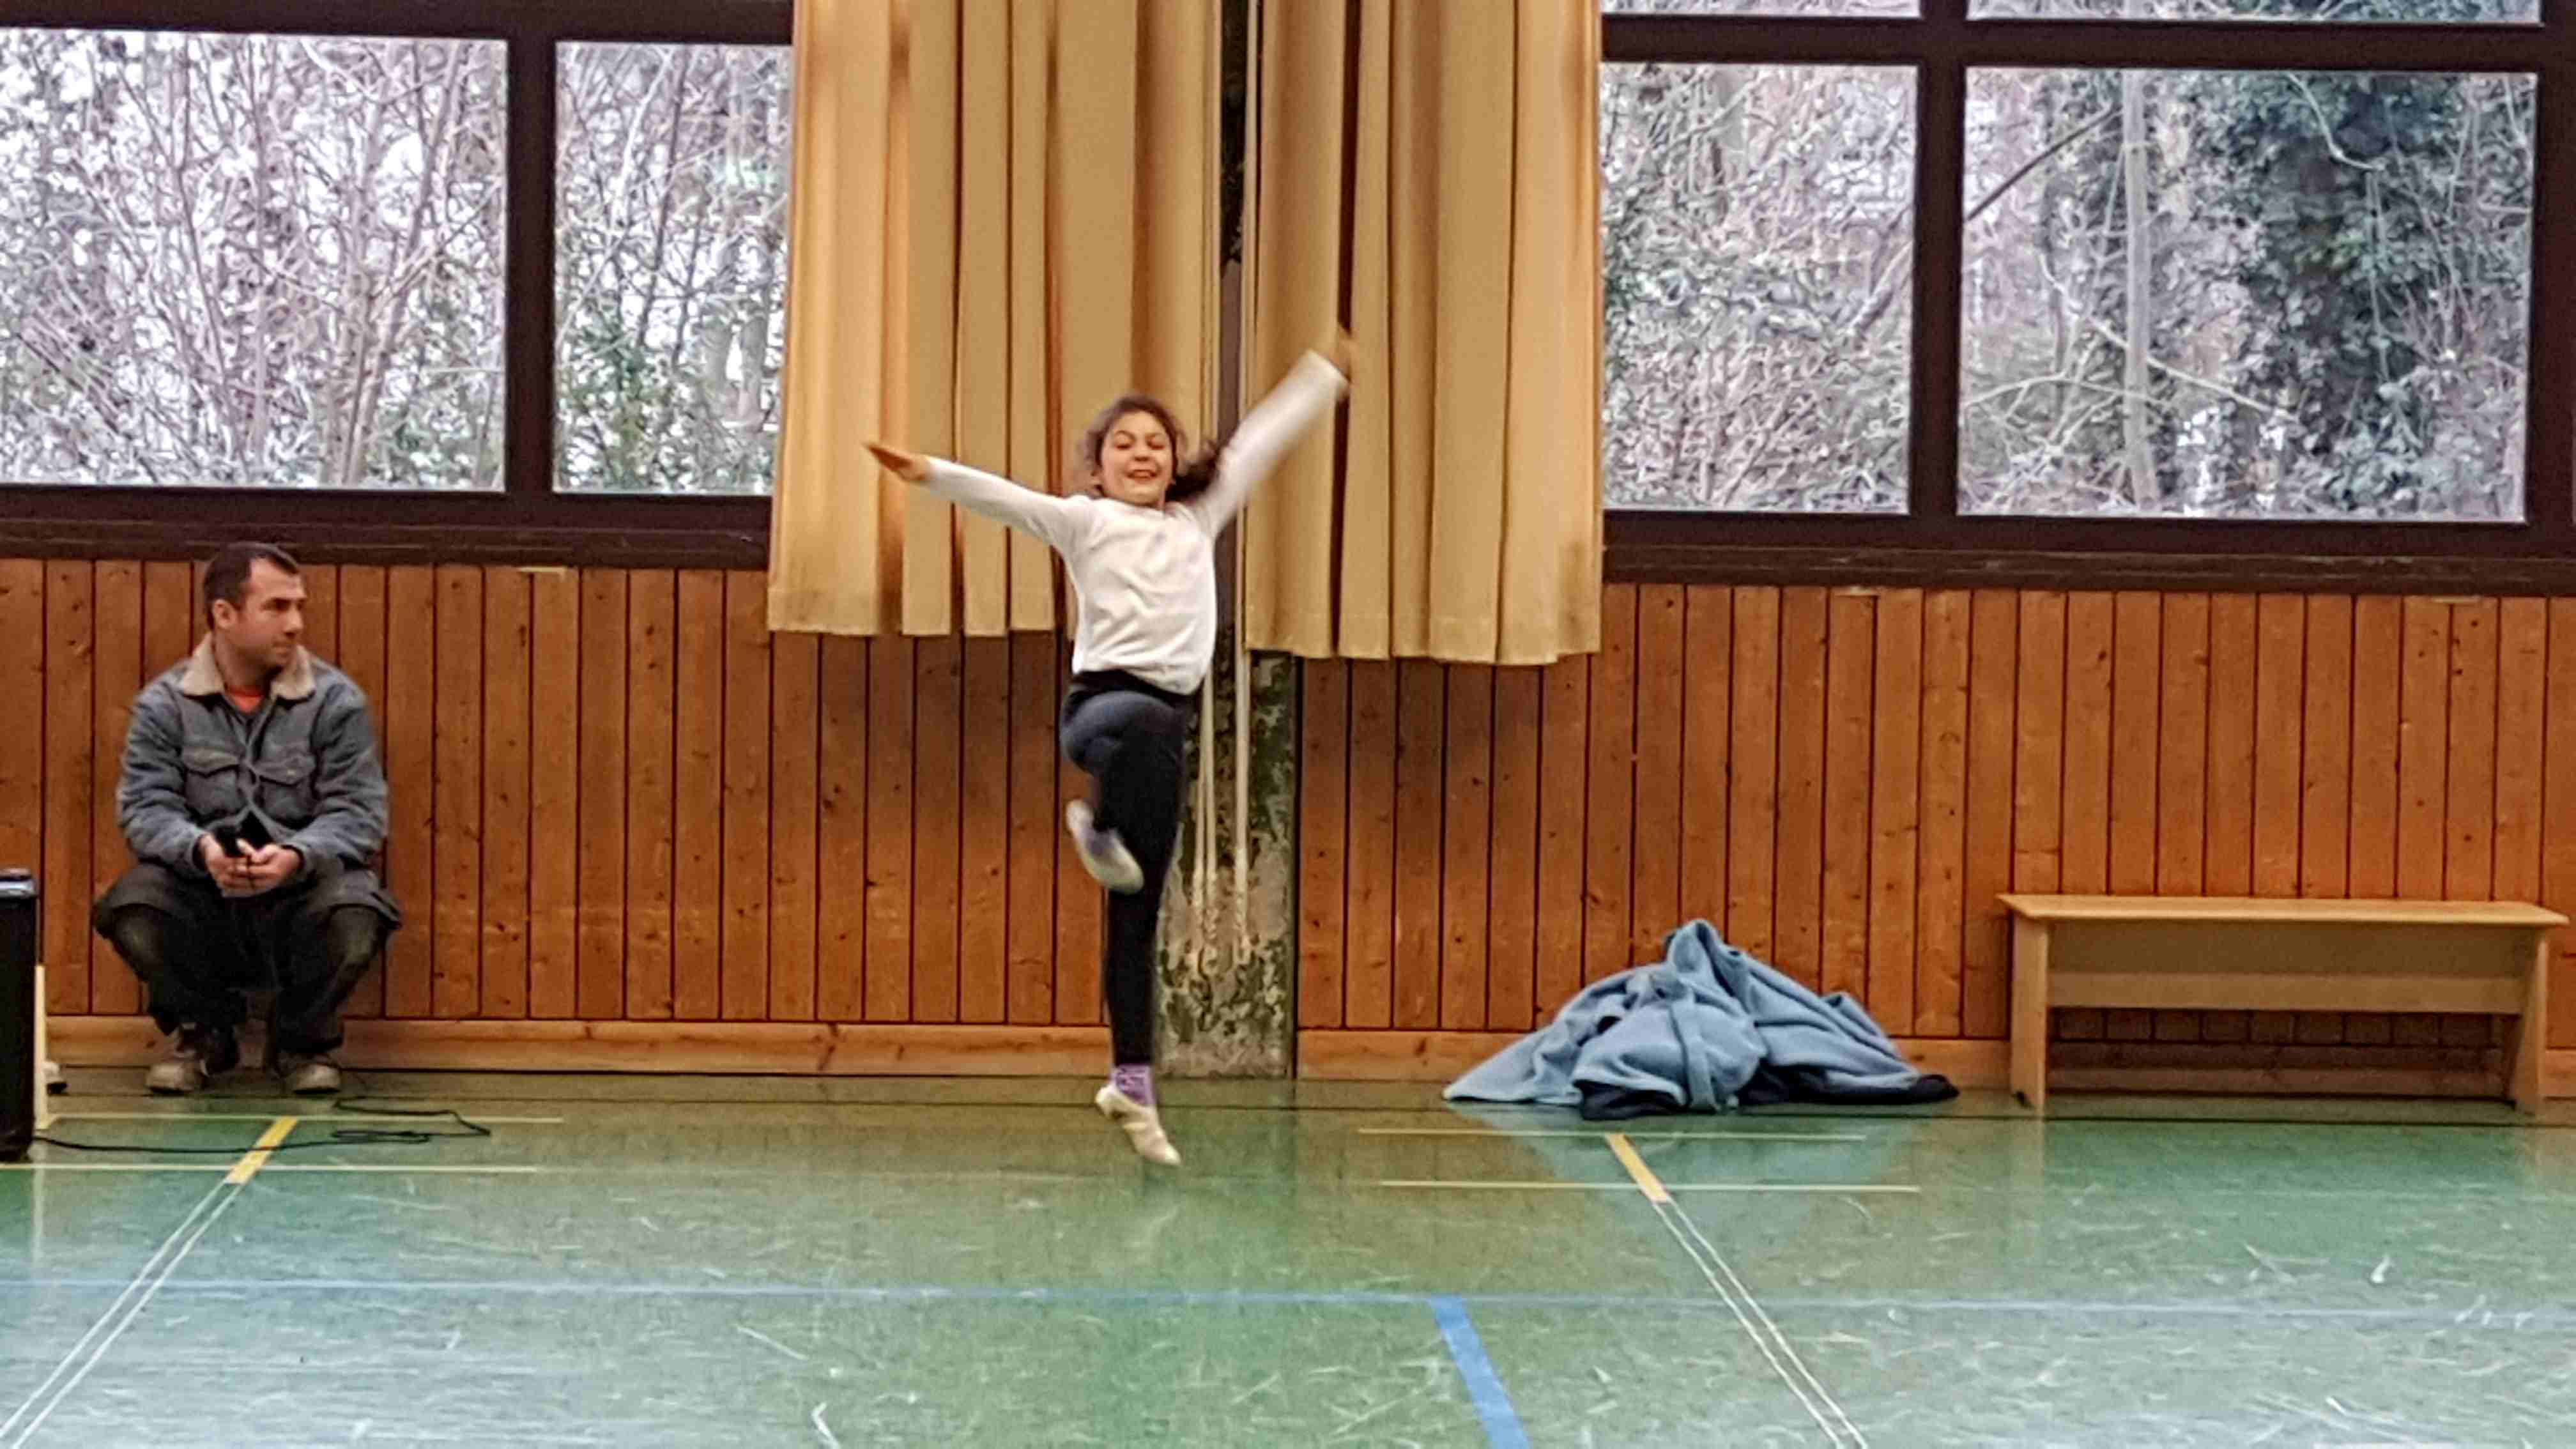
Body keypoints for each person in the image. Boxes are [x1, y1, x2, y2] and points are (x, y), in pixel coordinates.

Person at [868, 336, 1352, 1164]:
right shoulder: (1083, 521)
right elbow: (1003, 498)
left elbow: (1259, 444)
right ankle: (1097, 827)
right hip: (1101, 713)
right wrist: (927, 473)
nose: (1141, 454)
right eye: (1123, 444)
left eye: (1155, 443)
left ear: (1173, 464)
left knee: (1138, 920)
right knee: (1146, 733)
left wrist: (1324, 375)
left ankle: (1133, 1085)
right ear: (1097, 470)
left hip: (1165, 733)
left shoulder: (1197, 521)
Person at [90, 544, 402, 1095]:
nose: (295, 623)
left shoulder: (337, 703)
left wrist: (297, 856)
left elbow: (359, 813)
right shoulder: (164, 705)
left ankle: (302, 1044)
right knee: (133, 906)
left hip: (302, 892)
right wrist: (204, 851)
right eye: (277, 607)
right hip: (202, 891)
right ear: (224, 614)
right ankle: (204, 1034)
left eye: (299, 606)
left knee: (359, 911)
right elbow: (144, 808)